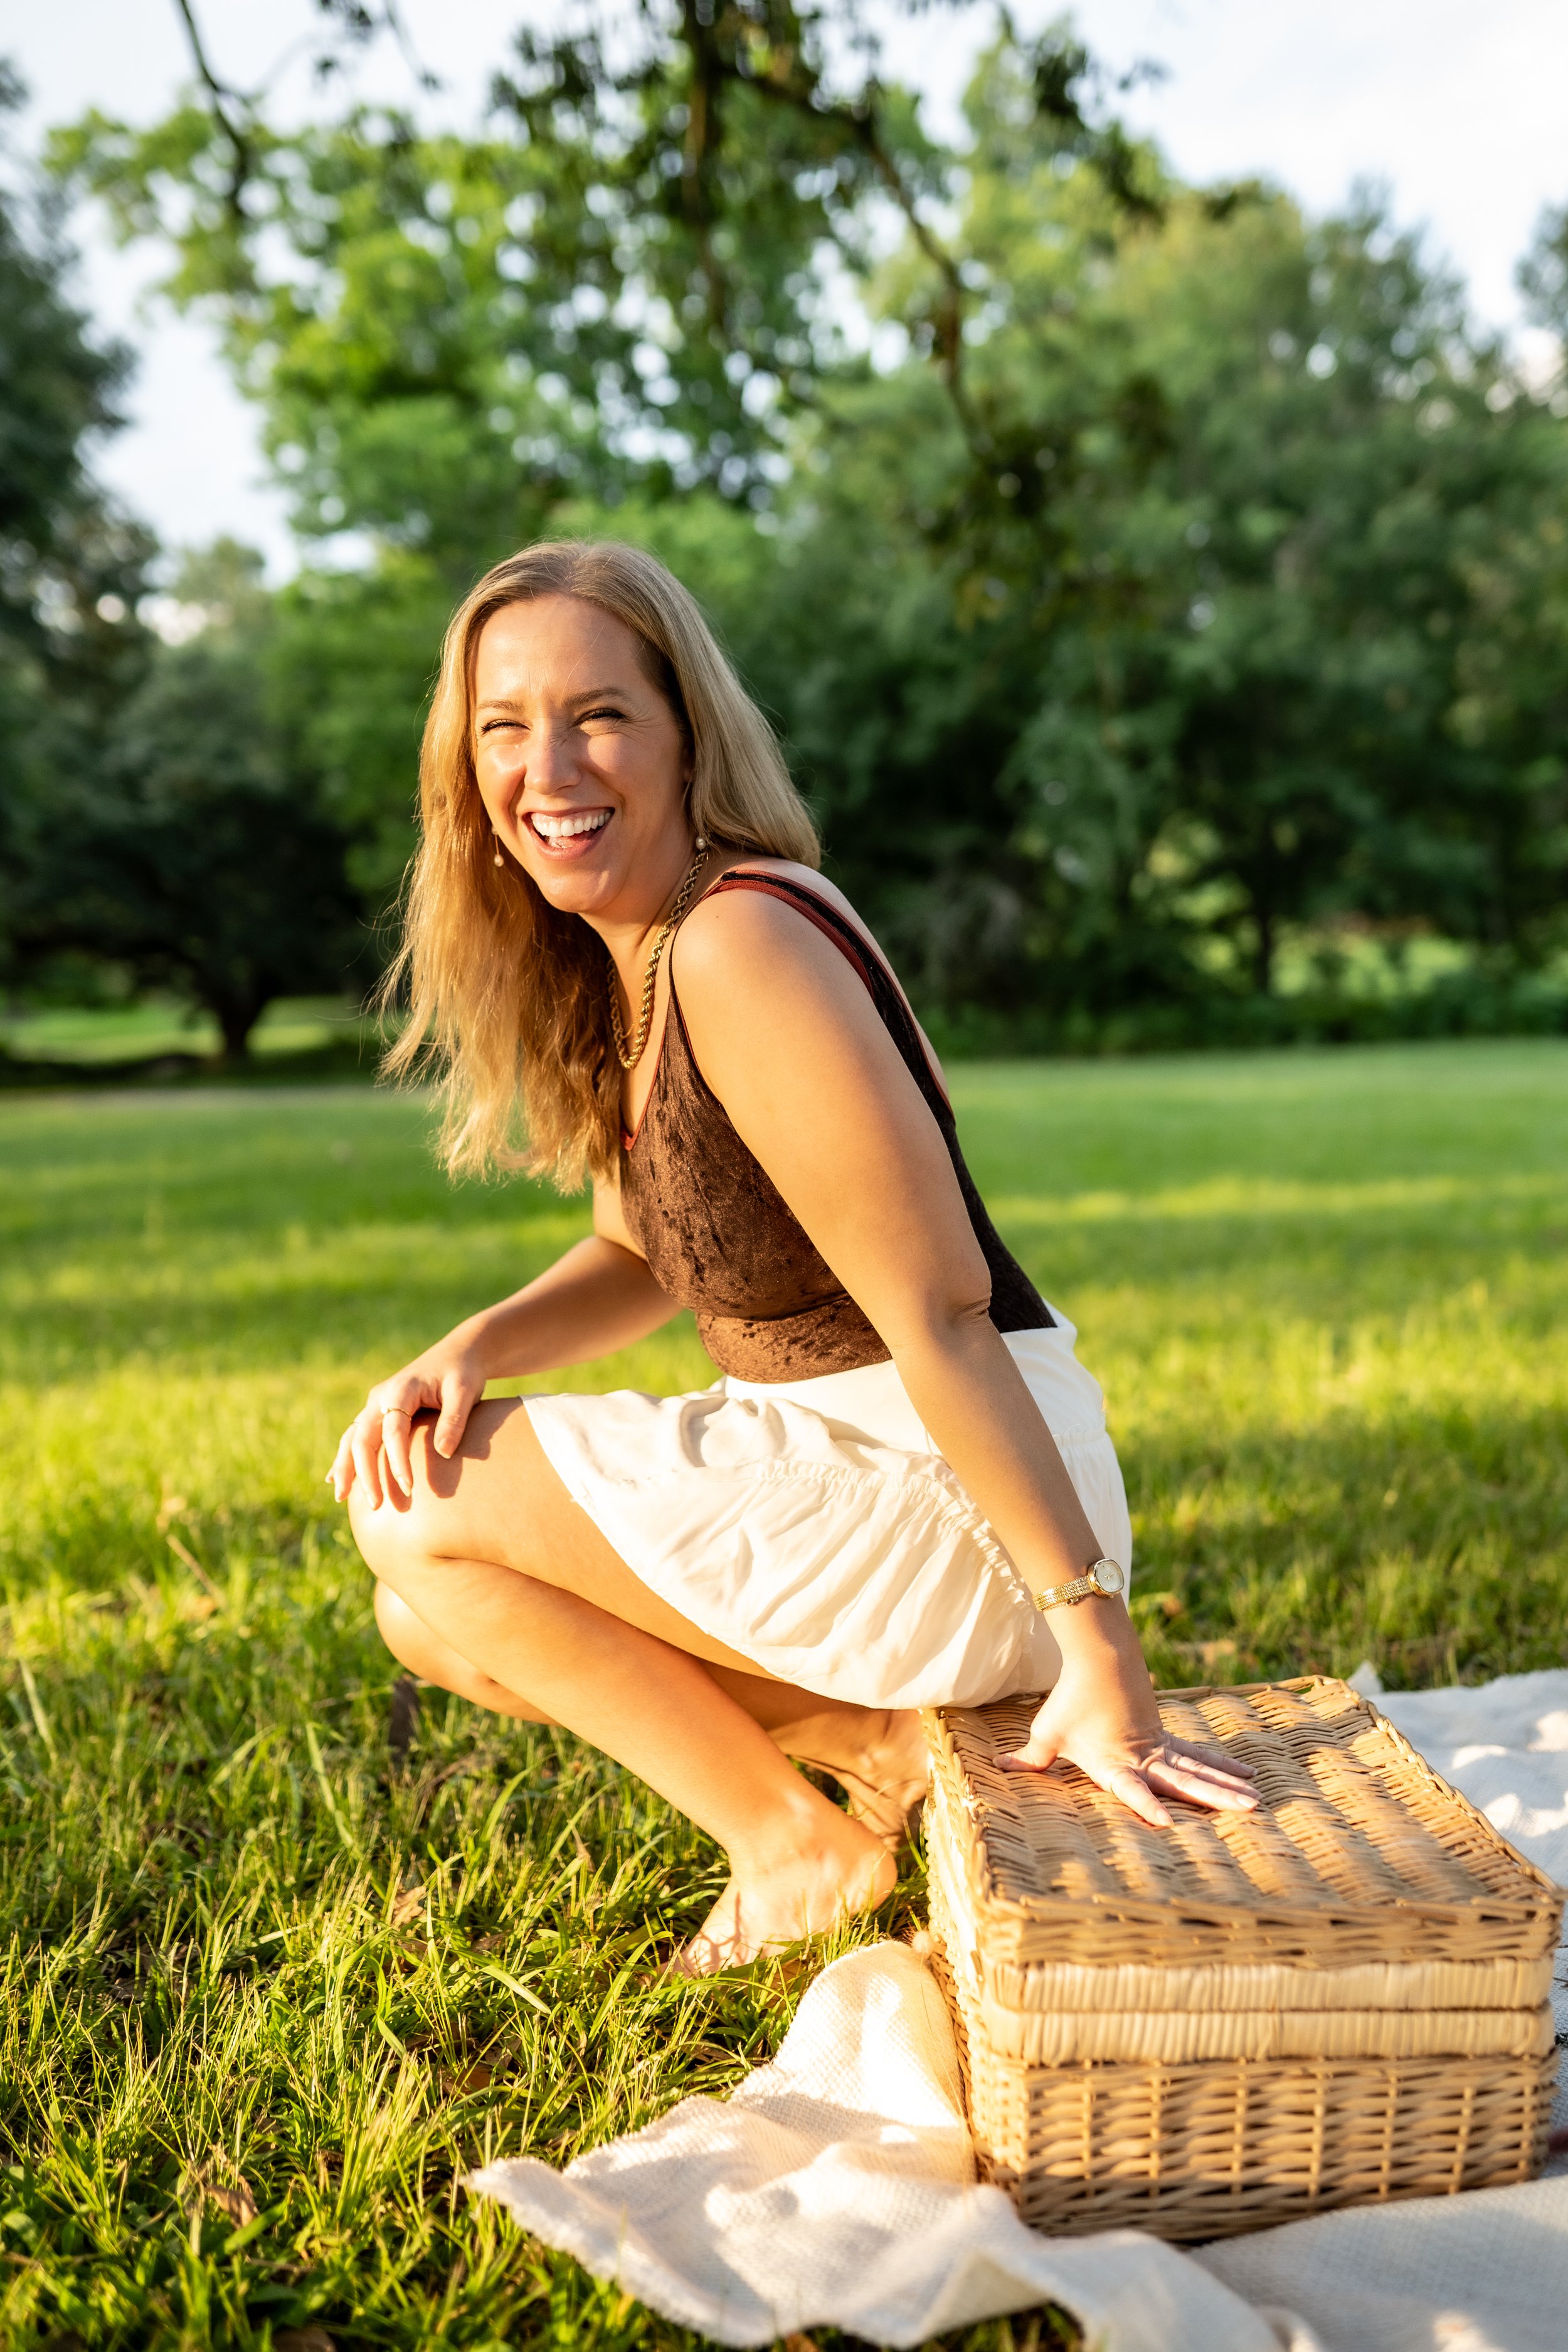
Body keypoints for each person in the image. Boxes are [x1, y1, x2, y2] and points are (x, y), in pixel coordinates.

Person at [328, 539, 1257, 1974]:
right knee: (431, 1616)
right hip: (872, 1458)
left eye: (599, 715)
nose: (548, 766)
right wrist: (474, 1346)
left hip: (964, 1491)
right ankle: (886, 1757)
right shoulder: (631, 958)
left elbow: (941, 1313)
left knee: (416, 1512)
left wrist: (1097, 1642)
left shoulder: (736, 941)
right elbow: (644, 1249)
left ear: (684, 732)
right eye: (504, 727)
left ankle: (796, 1849)